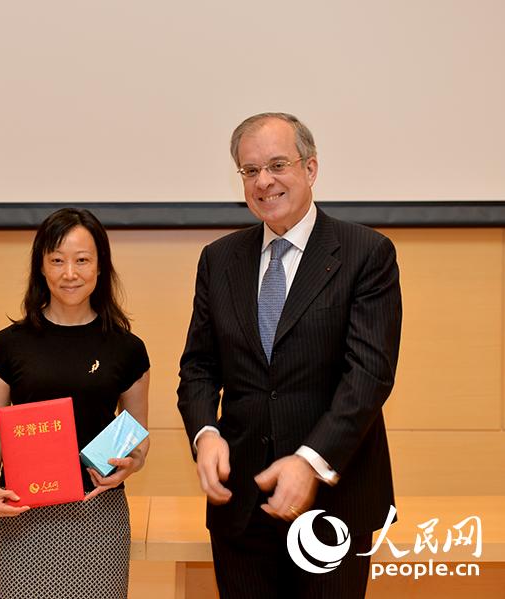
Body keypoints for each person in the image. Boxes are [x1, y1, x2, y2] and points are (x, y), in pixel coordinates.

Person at [177, 113, 402, 597]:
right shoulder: (219, 259)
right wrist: (205, 433)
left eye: (278, 164)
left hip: (333, 503)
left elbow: (368, 377)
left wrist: (309, 460)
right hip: (239, 506)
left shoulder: (366, 253)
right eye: (249, 170)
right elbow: (198, 367)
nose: (263, 181)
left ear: (311, 169)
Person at [0, 208, 150, 599]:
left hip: (97, 513)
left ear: (101, 267)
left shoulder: (126, 348)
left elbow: (137, 435)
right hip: (22, 514)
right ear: (41, 267)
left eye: (82, 260)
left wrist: (131, 464)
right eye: (57, 260)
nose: (70, 273)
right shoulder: (8, 345)